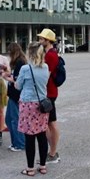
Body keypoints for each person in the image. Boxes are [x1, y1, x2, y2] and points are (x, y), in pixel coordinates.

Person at [16, 42, 51, 176]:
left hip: (28, 105)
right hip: (42, 104)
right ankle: (42, 165)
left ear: (30, 53)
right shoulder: (45, 67)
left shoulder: (26, 68)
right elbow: (45, 84)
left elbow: (18, 86)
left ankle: (30, 168)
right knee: (41, 135)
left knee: (29, 137)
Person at [37, 29, 62, 163]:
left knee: (51, 122)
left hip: (49, 93)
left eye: (42, 39)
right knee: (48, 122)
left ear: (48, 40)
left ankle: (53, 153)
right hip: (49, 92)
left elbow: (46, 75)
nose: (40, 41)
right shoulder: (50, 53)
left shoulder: (51, 55)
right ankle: (51, 152)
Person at [4, 42, 27, 152]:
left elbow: (17, 80)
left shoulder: (20, 62)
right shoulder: (17, 62)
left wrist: (6, 78)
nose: (8, 54)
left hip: (16, 94)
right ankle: (15, 142)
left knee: (15, 119)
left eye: (9, 52)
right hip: (13, 94)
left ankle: (20, 143)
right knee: (9, 119)